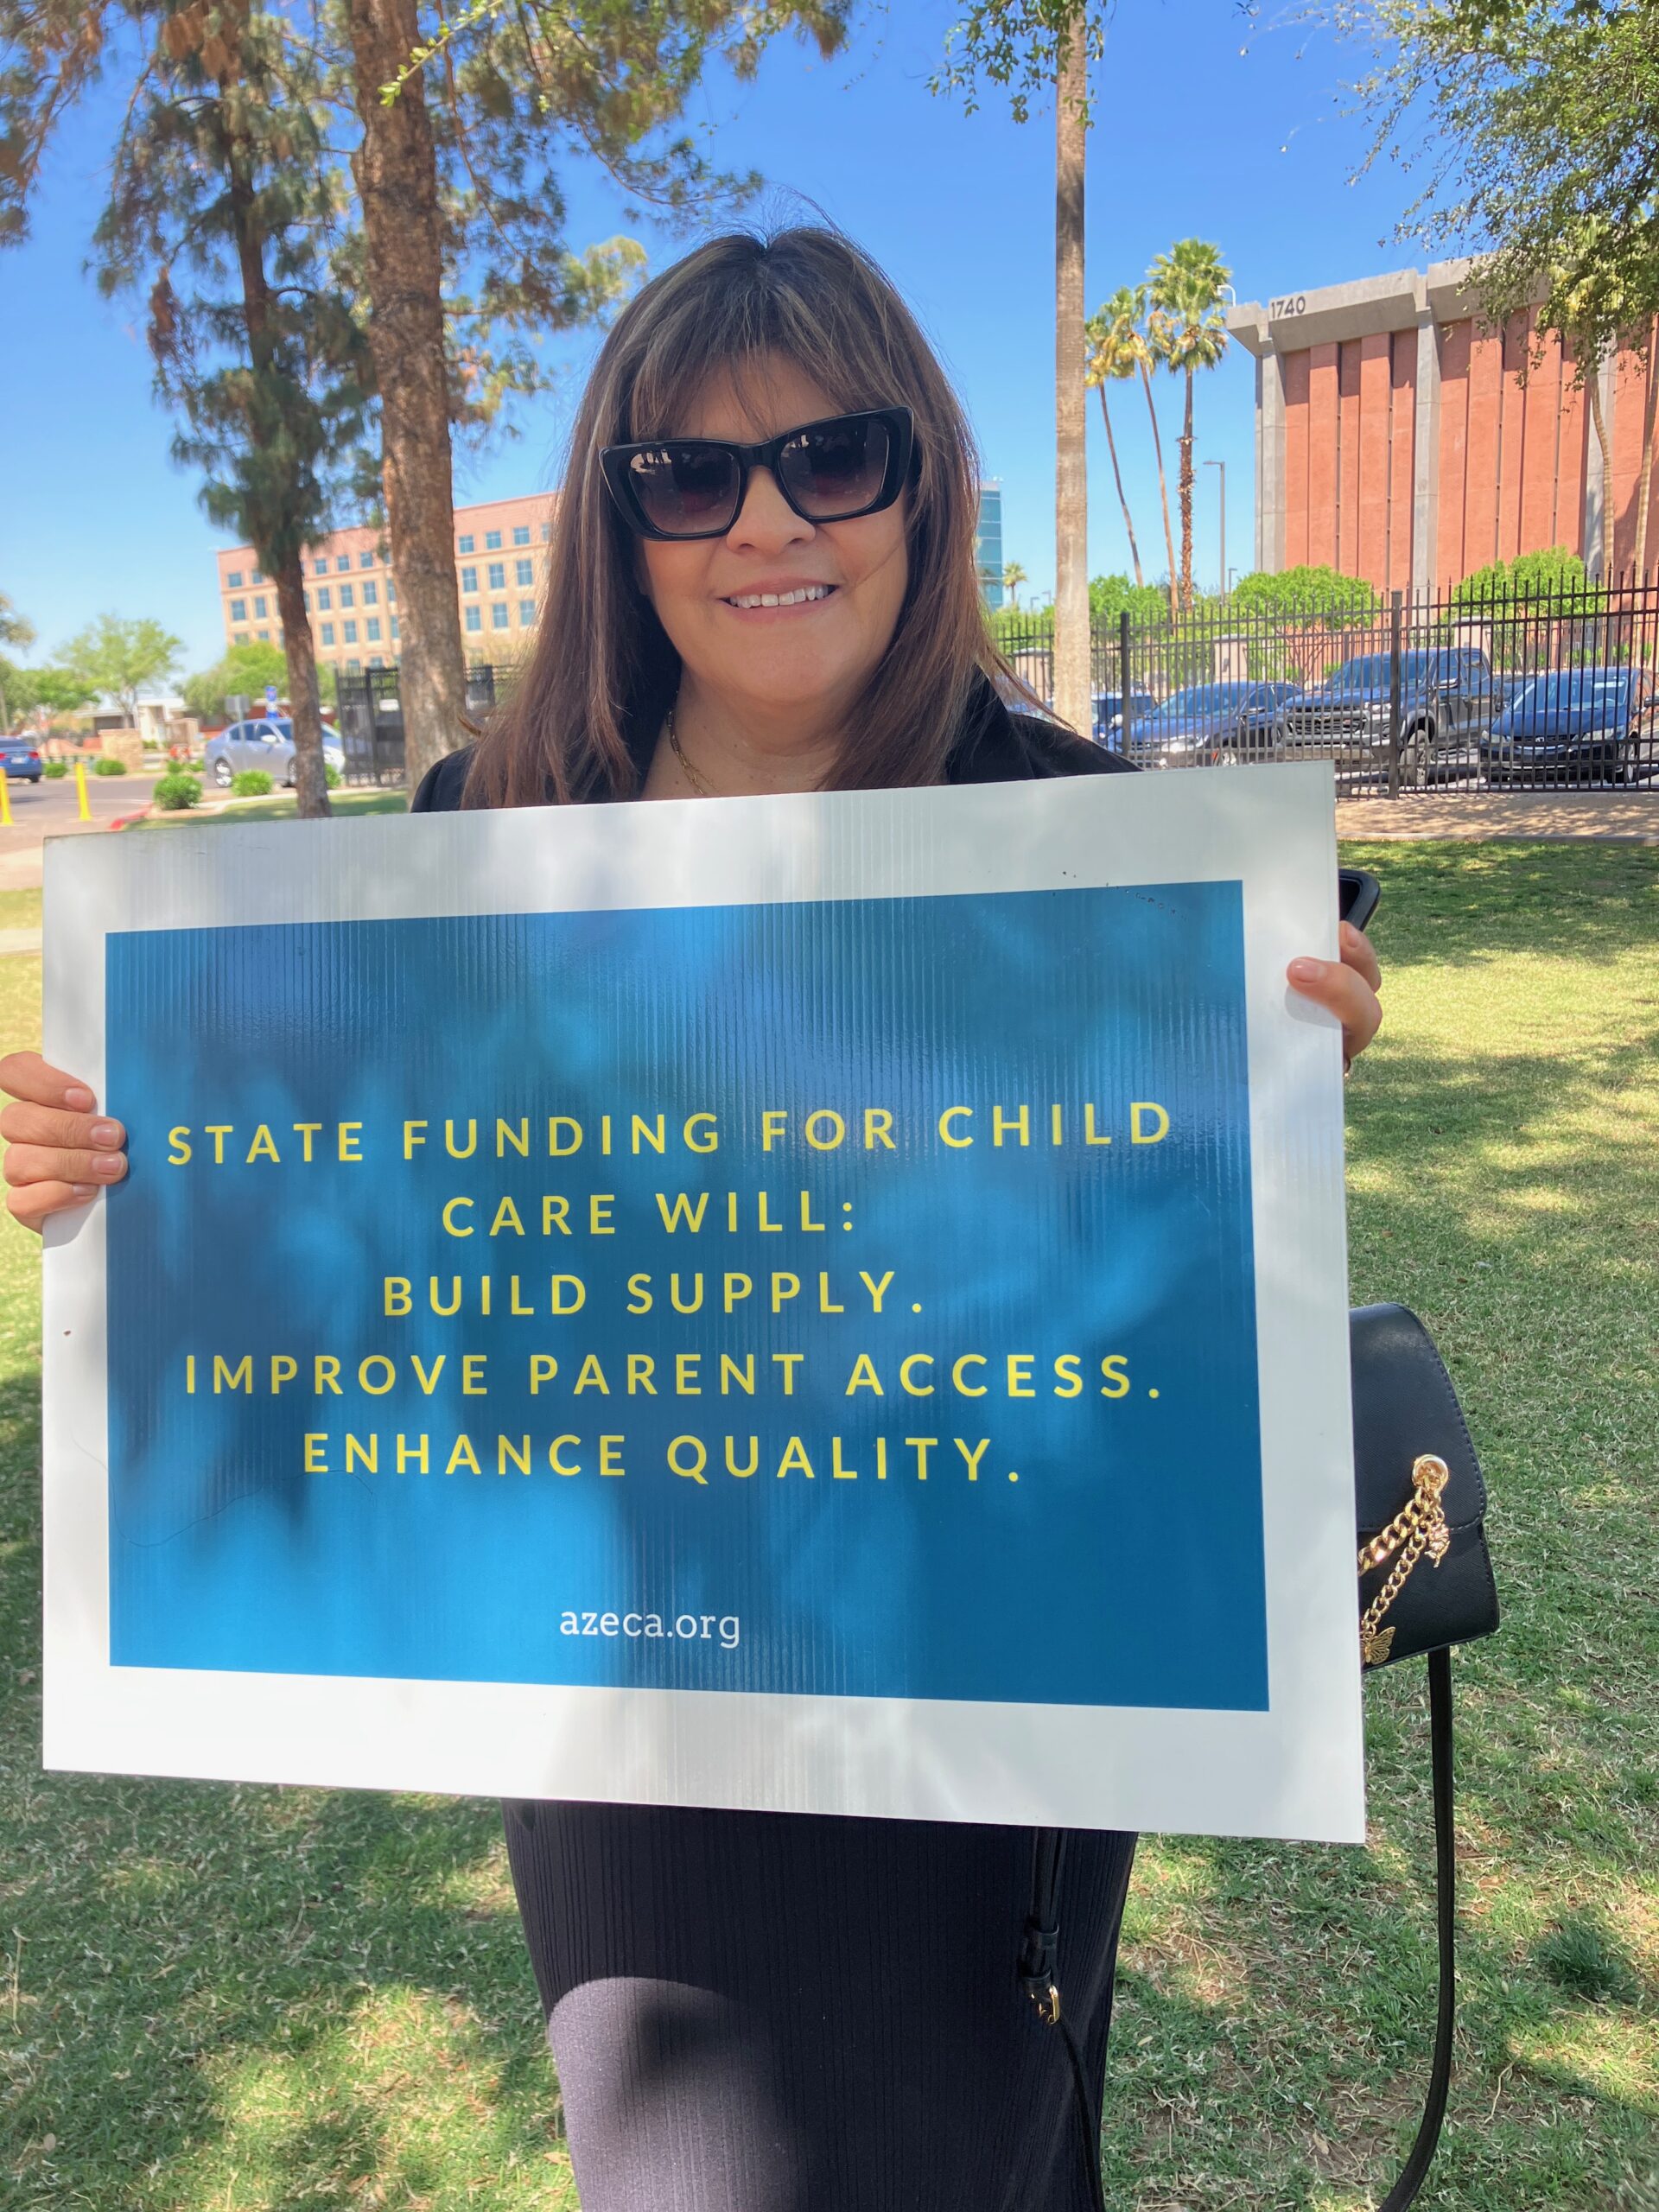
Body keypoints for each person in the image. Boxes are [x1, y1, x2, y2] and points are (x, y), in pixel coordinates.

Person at [1, 227, 1381, 2210]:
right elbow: (330, 1213)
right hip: (627, 1733)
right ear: (617, 524)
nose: (765, 522)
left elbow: (1171, 1247)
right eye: (689, 475)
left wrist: (1296, 1055)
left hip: (975, 1712)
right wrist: (93, 1166)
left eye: (837, 456)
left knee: (977, 2148)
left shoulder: (1095, 841)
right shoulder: (483, 830)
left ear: (925, 484)